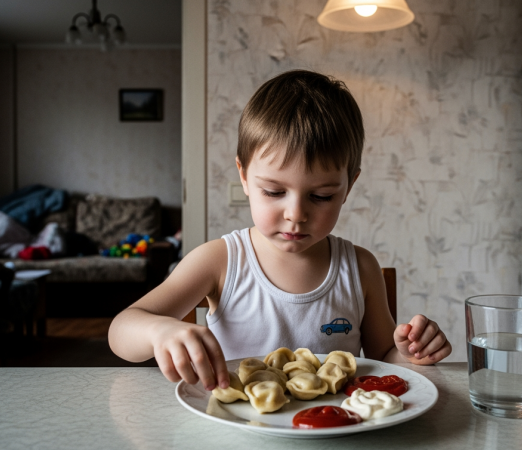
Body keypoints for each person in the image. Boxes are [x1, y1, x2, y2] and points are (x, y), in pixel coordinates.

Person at [109, 70, 452, 392]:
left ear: (349, 187)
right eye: (274, 192)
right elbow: (121, 329)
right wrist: (159, 329)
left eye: (321, 196)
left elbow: (381, 359)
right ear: (244, 176)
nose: (296, 214)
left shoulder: (360, 267)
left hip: (333, 430)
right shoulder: (221, 260)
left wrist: (410, 353)